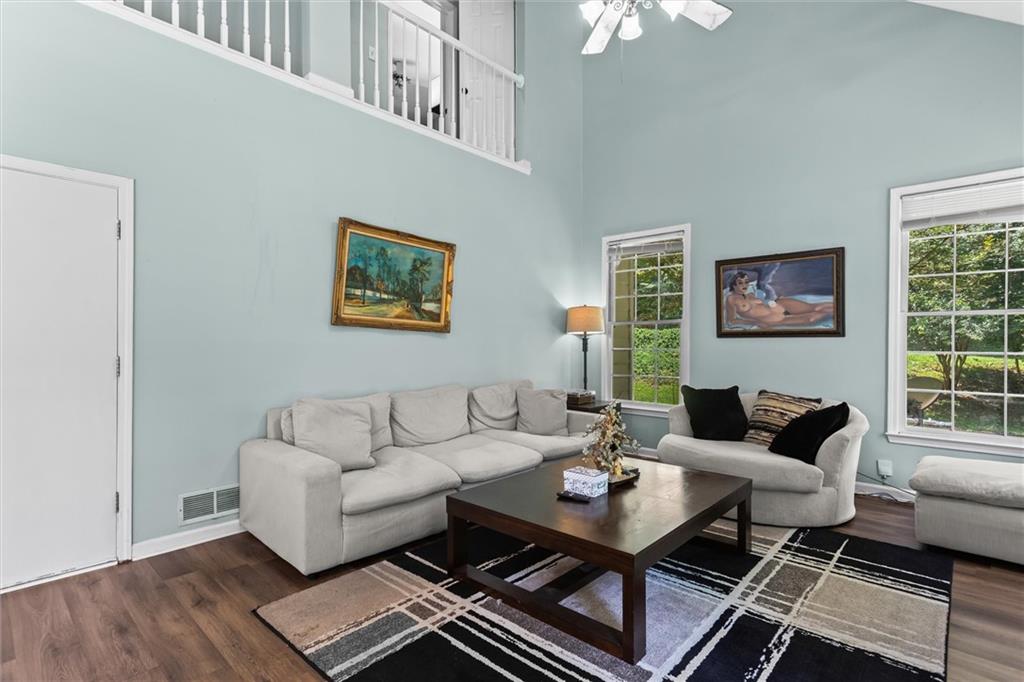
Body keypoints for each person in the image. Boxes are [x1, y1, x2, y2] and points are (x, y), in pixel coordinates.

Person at [725, 271, 833, 328]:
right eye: (740, 282)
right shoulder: (731, 299)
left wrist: (774, 300)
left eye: (747, 282)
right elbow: (731, 320)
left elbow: (765, 301)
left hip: (780, 305)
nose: (745, 285)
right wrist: (755, 322)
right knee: (813, 317)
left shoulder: (751, 294)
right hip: (775, 319)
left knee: (816, 307)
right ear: (733, 284)